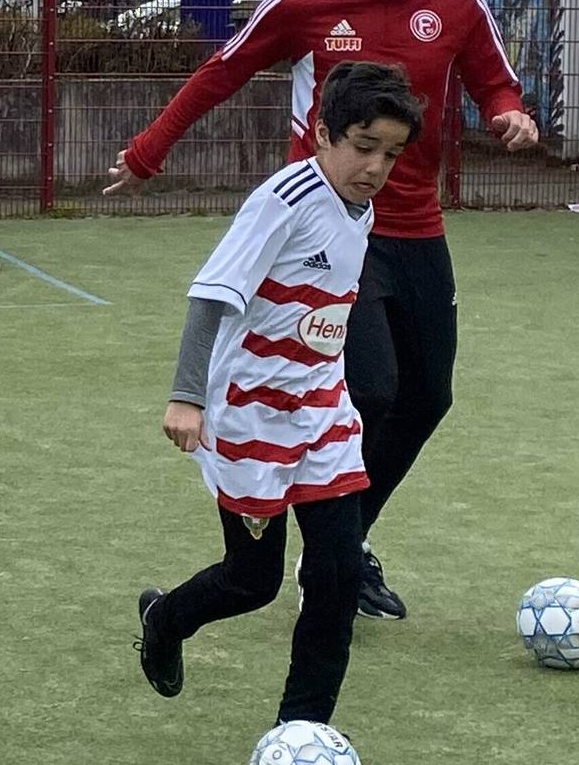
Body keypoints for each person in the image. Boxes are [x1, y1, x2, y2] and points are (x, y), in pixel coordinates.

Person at [107, 0, 541, 621]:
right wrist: (148, 151)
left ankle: (342, 547)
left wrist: (511, 114)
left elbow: (493, 81)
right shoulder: (306, 3)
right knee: (371, 386)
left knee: (429, 396)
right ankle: (333, 550)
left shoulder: (457, 0)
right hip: (329, 231)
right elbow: (223, 70)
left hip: (418, 227)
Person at [134, 63, 423, 727]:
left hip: (322, 413)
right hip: (251, 413)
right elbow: (211, 296)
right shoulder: (285, 199)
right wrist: (186, 396)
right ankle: (165, 618)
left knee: (338, 573)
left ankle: (303, 728)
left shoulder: (363, 207)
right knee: (253, 580)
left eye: (392, 152)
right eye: (363, 144)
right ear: (322, 133)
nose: (377, 165)